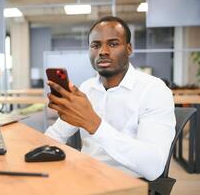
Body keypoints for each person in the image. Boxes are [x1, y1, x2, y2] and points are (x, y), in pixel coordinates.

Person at [45, 16, 176, 181]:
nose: (103, 51)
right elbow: (55, 135)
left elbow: (154, 166)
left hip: (125, 183)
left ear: (129, 49)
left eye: (113, 44)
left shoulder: (154, 90)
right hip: (85, 176)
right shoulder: (87, 88)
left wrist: (94, 124)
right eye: (96, 45)